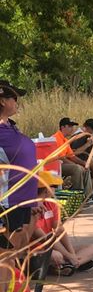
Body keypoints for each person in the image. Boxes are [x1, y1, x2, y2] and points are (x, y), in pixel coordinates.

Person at [31, 168, 93, 274]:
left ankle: (70, 264)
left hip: (52, 247)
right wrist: (68, 255)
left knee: (91, 248)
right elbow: (46, 239)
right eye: (54, 187)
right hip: (37, 250)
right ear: (47, 189)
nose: (56, 190)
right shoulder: (32, 208)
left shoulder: (52, 204)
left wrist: (72, 254)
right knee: (57, 255)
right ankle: (67, 264)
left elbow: (60, 230)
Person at [0, 79, 39, 250]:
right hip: (9, 201)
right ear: (2, 100)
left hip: (24, 199)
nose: (17, 102)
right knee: (7, 255)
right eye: (14, 98)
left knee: (16, 252)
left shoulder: (11, 127)